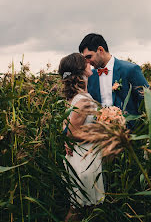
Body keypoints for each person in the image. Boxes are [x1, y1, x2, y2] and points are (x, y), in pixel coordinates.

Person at [58, 53, 105, 221]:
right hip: (84, 158)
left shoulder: (76, 97)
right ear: (80, 70)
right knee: (78, 208)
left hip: (84, 155)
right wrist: (101, 135)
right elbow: (72, 133)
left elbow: (65, 127)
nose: (89, 63)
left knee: (85, 206)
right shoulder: (83, 100)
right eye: (85, 63)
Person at [79, 33, 149, 130]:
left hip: (131, 134)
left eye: (89, 57)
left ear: (100, 50)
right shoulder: (91, 76)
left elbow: (147, 101)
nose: (87, 61)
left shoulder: (130, 70)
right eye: (85, 58)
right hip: (101, 136)